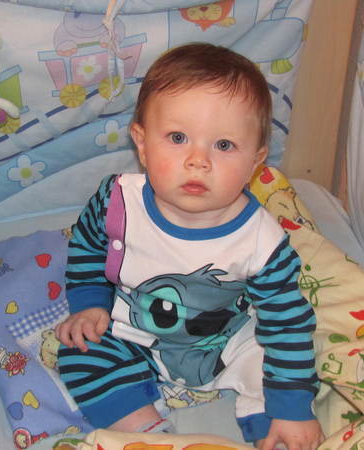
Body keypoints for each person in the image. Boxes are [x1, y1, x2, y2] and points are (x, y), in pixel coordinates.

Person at [55, 43, 323, 449]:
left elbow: (286, 324)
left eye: (224, 145)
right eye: (178, 138)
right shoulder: (117, 203)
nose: (199, 160)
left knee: (280, 368)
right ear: (142, 144)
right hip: (134, 334)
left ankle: (271, 430)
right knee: (79, 350)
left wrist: (293, 408)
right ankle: (146, 432)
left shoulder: (262, 241)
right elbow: (88, 249)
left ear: (255, 162)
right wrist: (90, 304)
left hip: (226, 343)